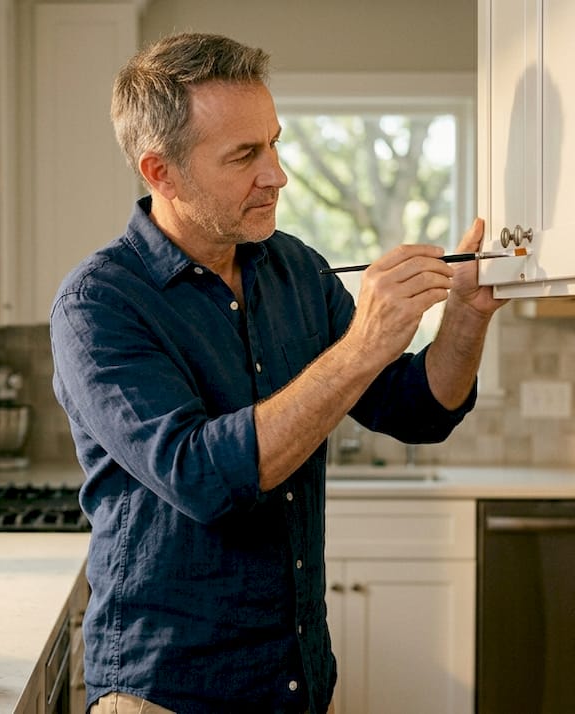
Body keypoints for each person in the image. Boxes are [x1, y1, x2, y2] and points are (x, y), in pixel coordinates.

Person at [49, 32, 506, 714]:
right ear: (161, 171)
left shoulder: (295, 267)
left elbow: (415, 409)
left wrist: (465, 315)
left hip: (296, 680)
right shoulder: (99, 304)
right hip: (168, 691)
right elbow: (202, 478)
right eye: (244, 156)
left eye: (274, 144)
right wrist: (362, 344)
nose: (277, 175)